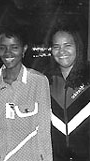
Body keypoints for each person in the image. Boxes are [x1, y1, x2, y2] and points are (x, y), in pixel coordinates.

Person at [0, 27, 53, 161]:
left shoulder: (38, 81)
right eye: (3, 48)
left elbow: (43, 130)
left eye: (14, 47)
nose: (8, 53)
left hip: (28, 157)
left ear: (24, 49)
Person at [43, 25, 90, 161]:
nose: (61, 51)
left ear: (78, 47)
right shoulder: (46, 80)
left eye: (67, 45)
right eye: (56, 46)